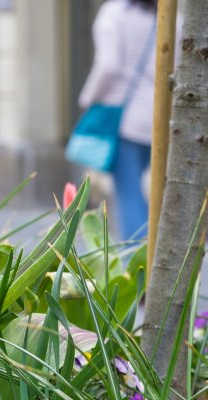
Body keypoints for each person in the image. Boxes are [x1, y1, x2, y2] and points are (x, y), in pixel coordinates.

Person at [78, 0, 156, 241]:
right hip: (156, 120)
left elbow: (108, 66)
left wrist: (88, 98)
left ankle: (136, 267)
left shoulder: (114, 13)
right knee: (146, 192)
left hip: (125, 120)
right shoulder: (171, 17)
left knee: (129, 194)